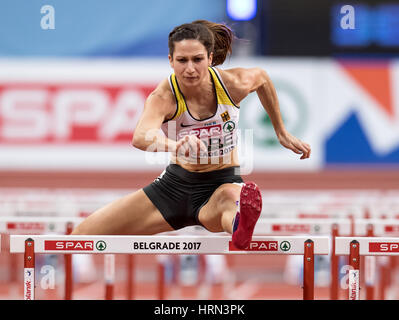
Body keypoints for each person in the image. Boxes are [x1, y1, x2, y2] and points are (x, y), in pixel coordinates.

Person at [71, 20, 311, 249]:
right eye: (182, 60)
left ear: (210, 59)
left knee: (233, 198)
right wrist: (174, 145)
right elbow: (141, 136)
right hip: (173, 188)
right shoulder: (164, 97)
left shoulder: (231, 85)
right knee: (81, 236)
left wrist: (280, 131)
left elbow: (262, 78)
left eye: (197, 60)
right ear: (170, 61)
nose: (190, 69)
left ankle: (240, 228)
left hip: (221, 183)